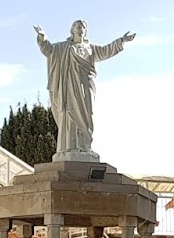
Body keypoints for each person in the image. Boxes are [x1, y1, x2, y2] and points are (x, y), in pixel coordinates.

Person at [34, 20, 135, 160]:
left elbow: (106, 51)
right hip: (69, 86)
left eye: (82, 27)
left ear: (85, 31)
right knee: (70, 114)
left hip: (86, 85)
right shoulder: (63, 47)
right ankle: (69, 148)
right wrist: (42, 37)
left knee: (88, 113)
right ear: (72, 30)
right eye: (77, 26)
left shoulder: (91, 48)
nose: (80, 28)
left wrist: (121, 41)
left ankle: (85, 146)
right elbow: (48, 50)